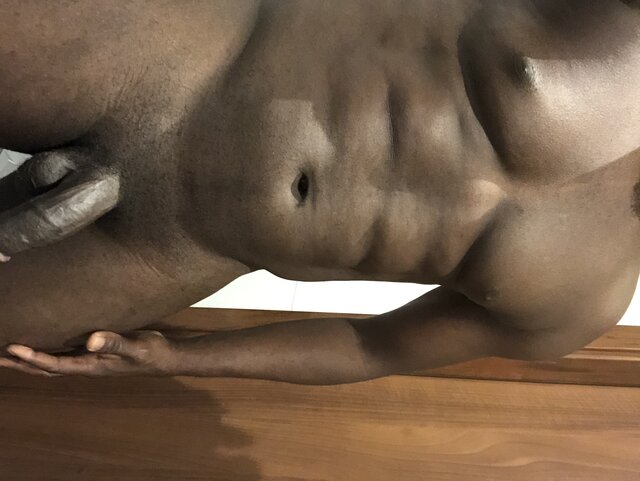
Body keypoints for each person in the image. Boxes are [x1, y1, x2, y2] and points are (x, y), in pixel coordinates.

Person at [0, 0, 638, 383]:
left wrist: (178, 358)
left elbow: (374, 349)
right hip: (180, 55)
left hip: (168, 252)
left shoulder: (588, 301)